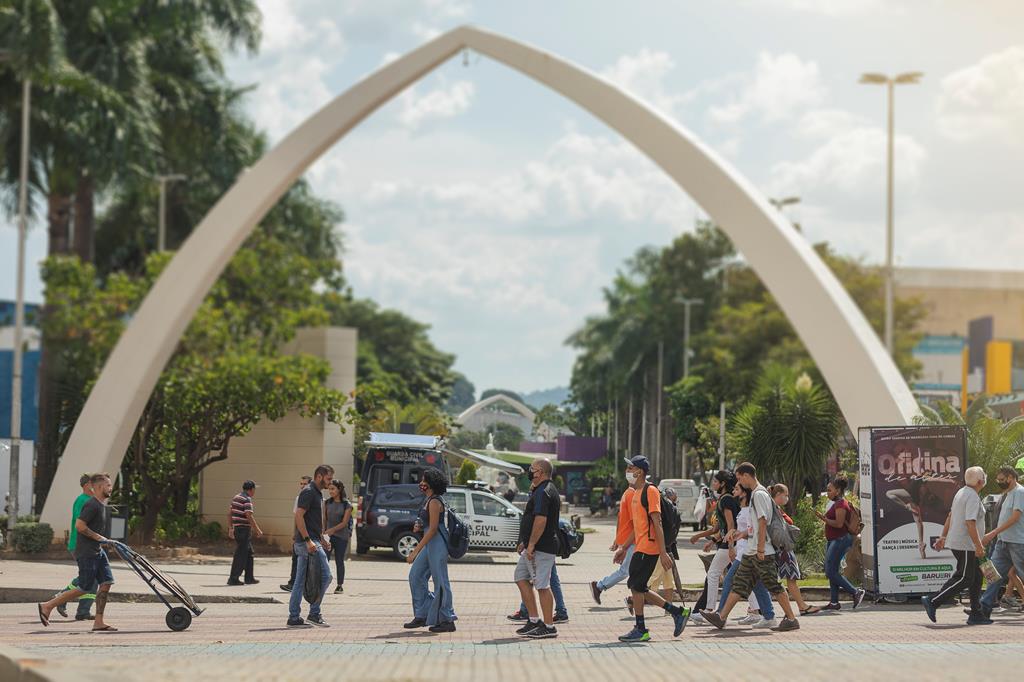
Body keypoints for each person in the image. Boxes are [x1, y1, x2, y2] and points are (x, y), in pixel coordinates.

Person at [700, 462, 800, 631]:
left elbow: (762, 522)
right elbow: (755, 524)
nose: (739, 483)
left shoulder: (759, 494)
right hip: (751, 550)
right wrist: (743, 534)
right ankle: (721, 617)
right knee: (739, 583)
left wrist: (760, 549)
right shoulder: (757, 494)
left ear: (746, 476)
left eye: (740, 478)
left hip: (762, 551)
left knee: (773, 585)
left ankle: (791, 619)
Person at [615, 455, 690, 642]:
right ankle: (677, 612)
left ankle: (641, 629)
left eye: (631, 468)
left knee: (635, 585)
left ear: (640, 471)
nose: (628, 471)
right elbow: (636, 527)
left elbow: (657, 522)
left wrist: (663, 552)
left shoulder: (650, 491)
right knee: (638, 586)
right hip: (640, 545)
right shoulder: (635, 493)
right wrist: (623, 547)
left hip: (650, 547)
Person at [37, 473, 117, 631]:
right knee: (84, 587)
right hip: (87, 552)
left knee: (106, 582)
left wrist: (105, 542)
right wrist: (99, 537)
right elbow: (80, 526)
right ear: (100, 487)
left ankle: (98, 622)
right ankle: (48, 605)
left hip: (97, 551)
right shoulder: (91, 504)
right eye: (108, 485)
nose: (110, 488)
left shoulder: (100, 505)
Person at [923, 466, 990, 625]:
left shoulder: (961, 492)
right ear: (981, 481)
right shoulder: (972, 497)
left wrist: (943, 536)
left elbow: (950, 515)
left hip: (962, 543)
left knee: (976, 577)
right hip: (966, 544)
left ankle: (976, 613)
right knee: (965, 578)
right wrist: (978, 546)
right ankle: (933, 601)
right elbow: (970, 523)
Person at [710, 481, 776, 626]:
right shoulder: (744, 510)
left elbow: (757, 530)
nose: (733, 491)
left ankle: (720, 615)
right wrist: (735, 535)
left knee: (730, 580)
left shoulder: (749, 510)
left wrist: (756, 547)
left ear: (744, 493)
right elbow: (747, 531)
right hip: (745, 551)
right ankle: (769, 616)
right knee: (758, 585)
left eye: (737, 489)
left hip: (748, 552)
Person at [404, 467, 457, 632]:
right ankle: (423, 614)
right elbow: (428, 526)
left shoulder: (435, 501)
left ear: (432, 483)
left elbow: (434, 529)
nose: (421, 483)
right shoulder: (428, 500)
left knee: (440, 582)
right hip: (430, 544)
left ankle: (447, 619)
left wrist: (414, 551)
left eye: (424, 481)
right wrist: (419, 526)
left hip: (437, 544)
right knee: (416, 576)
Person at [513, 458, 561, 639]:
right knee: (520, 577)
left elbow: (541, 520)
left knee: (542, 585)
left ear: (540, 472)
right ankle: (534, 620)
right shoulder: (539, 490)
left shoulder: (544, 491)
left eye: (531, 469)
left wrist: (531, 544)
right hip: (533, 546)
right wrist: (526, 542)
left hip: (542, 547)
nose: (529, 471)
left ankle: (549, 627)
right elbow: (532, 518)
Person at [688, 470, 738, 626]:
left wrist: (730, 546)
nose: (713, 484)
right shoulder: (724, 499)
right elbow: (718, 528)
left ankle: (709, 609)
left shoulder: (726, 500)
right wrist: (706, 539)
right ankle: (756, 611)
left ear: (723, 484)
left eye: (716, 482)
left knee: (713, 573)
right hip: (729, 542)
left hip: (730, 544)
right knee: (742, 578)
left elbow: (731, 525)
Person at [287, 465, 334, 628]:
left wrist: (321, 538)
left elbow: (313, 520)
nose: (330, 482)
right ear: (319, 476)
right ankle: (314, 613)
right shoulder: (308, 492)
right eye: (328, 478)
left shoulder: (317, 493)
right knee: (326, 576)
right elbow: (299, 516)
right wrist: (308, 540)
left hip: (312, 541)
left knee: (300, 581)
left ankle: (294, 617)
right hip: (306, 543)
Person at [978, 466, 1024, 618]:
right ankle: (983, 607)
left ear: (1011, 477)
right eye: (998, 480)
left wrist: (993, 533)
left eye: (1002, 480)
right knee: (992, 574)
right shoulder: (1008, 493)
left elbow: (1015, 517)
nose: (999, 482)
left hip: (1017, 542)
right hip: (1003, 542)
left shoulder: (1019, 492)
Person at [815, 476, 865, 610]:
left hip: (840, 540)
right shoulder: (838, 503)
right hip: (834, 540)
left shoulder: (841, 504)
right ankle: (834, 602)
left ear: (837, 491)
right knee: (833, 570)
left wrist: (823, 519)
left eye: (829, 490)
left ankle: (855, 592)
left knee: (829, 571)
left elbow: (839, 524)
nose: (827, 493)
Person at [52, 474, 96, 620]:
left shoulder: (91, 500)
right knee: (89, 576)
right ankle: (61, 598)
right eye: (95, 483)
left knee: (92, 577)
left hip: (87, 545)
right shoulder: (82, 500)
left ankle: (83, 611)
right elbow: (82, 524)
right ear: (87, 485)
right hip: (80, 545)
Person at [770, 484, 819, 615]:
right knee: (790, 580)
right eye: (785, 495)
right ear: (778, 494)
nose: (787, 498)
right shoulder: (774, 509)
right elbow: (788, 523)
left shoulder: (774, 508)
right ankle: (801, 606)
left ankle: (758, 608)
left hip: (780, 548)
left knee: (776, 580)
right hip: (783, 548)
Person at [590, 480, 638, 606]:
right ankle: (600, 586)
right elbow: (635, 524)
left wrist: (617, 539)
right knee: (626, 571)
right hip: (632, 540)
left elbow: (620, 518)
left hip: (629, 540)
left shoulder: (626, 494)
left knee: (636, 572)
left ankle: (634, 599)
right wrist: (623, 544)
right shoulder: (632, 495)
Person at [227, 480, 263, 586]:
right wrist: (257, 529)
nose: (254, 491)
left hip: (238, 528)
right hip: (243, 530)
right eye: (254, 489)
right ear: (251, 490)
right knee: (241, 554)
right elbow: (249, 515)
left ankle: (249, 578)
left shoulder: (236, 497)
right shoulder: (247, 499)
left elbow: (229, 513)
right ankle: (233, 578)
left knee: (249, 553)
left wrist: (230, 528)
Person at [281, 475, 313, 592]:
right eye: (301, 484)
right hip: (300, 535)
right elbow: (297, 517)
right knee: (296, 559)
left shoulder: (315, 497)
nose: (302, 486)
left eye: (305, 484)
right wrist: (295, 533)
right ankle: (292, 583)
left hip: (311, 535)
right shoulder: (298, 498)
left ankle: (306, 585)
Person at [324, 479, 353, 594]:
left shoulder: (347, 505)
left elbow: (344, 523)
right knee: (324, 559)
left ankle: (339, 585)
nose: (330, 491)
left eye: (333, 489)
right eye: (329, 489)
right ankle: (323, 581)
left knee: (339, 560)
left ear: (339, 489)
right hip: (328, 536)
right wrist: (324, 533)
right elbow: (324, 519)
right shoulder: (327, 503)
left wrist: (332, 530)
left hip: (341, 536)